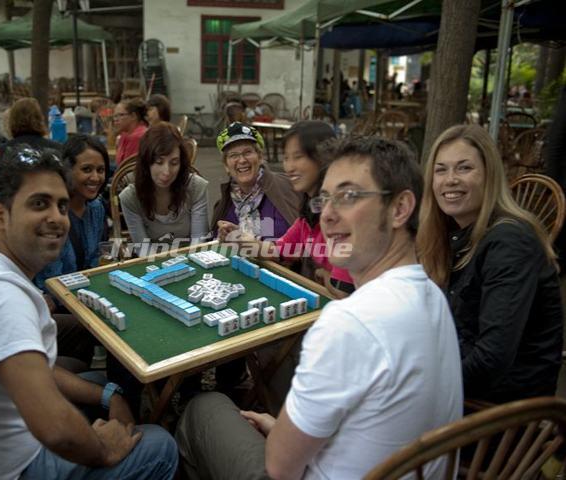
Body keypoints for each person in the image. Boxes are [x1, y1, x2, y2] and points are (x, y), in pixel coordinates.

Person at [176, 135, 463, 480]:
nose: (326, 215)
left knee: (202, 408)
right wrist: (283, 427)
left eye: (348, 196)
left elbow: (280, 468)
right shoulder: (433, 295)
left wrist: (282, 434)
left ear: (401, 208)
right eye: (324, 199)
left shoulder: (347, 321)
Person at [0, 147, 178, 480]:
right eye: (39, 204)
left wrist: (109, 393)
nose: (58, 218)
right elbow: (58, 431)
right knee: (160, 444)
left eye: (61, 205)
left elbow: (29, 366)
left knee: (96, 383)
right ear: (0, 216)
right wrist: (104, 449)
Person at [418, 124, 563, 403]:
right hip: (468, 386)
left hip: (502, 413)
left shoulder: (509, 242)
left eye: (464, 168)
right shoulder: (454, 234)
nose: (450, 179)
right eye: (441, 169)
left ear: (489, 175)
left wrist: (425, 392)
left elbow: (491, 359)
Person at [218, 120, 354, 297]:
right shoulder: (308, 213)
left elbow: (343, 290)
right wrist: (239, 238)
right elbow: (278, 249)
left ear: (324, 157)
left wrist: (323, 275)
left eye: (298, 157)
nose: (289, 167)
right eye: (286, 158)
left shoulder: (341, 212)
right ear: (226, 166)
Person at [35, 134, 109, 291]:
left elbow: (97, 259)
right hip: (59, 301)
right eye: (86, 169)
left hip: (90, 291)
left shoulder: (97, 208)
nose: (95, 178)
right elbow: (50, 282)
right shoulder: (51, 215)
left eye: (100, 170)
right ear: (67, 170)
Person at [120, 122, 208, 248]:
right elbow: (142, 250)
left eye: (174, 163)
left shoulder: (196, 187)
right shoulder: (130, 197)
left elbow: (199, 245)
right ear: (146, 162)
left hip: (192, 261)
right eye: (158, 162)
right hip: (152, 263)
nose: (166, 172)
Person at [212, 122, 300, 241]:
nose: (242, 160)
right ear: (226, 166)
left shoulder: (288, 187)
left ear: (260, 157)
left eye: (247, 152)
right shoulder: (224, 205)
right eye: (233, 155)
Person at [114, 97, 148, 166]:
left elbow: (127, 169)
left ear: (133, 116)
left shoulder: (137, 137)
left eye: (120, 115)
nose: (116, 120)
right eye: (115, 116)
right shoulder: (125, 134)